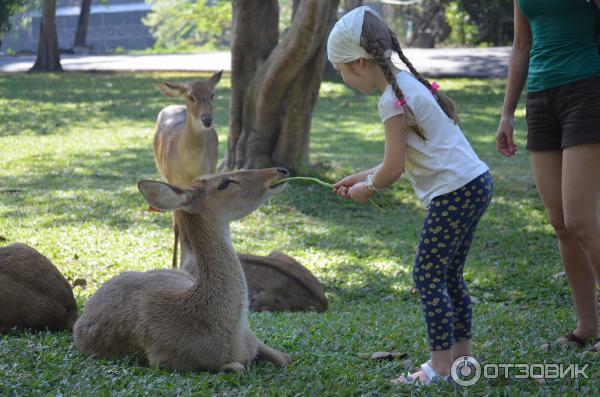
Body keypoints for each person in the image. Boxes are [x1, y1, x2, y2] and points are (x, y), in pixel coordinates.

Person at [327, 6, 492, 385]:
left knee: (427, 274)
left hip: (455, 193)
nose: (343, 77)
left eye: (341, 71)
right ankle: (459, 361)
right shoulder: (407, 87)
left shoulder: (391, 100)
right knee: (449, 274)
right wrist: (359, 176)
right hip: (474, 184)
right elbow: (395, 159)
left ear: (357, 62)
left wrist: (367, 189)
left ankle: (437, 367)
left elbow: (392, 170)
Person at [496, 0, 600, 354]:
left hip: (587, 89)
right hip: (540, 98)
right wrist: (507, 112)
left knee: (580, 221)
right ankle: (585, 326)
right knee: (560, 223)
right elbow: (522, 44)